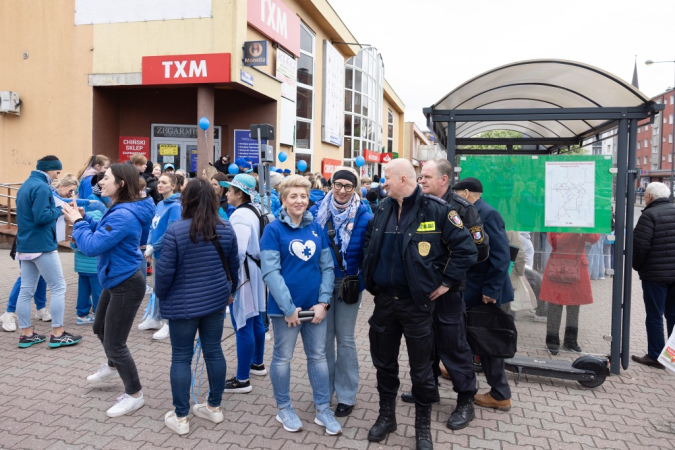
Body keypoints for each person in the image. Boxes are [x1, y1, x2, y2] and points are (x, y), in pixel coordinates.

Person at [362, 159, 477, 450]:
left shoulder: (437, 210)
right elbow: (369, 244)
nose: (382, 183)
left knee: (422, 370)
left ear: (403, 179)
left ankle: (421, 427)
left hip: (417, 306)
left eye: (387, 178)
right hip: (385, 303)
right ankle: (387, 417)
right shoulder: (383, 210)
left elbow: (466, 249)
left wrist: (447, 282)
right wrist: (370, 279)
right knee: (384, 364)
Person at [63, 163, 154, 417]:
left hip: (125, 283)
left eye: (106, 178)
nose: (100, 182)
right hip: (115, 278)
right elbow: (105, 234)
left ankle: (135, 394)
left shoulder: (123, 214)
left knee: (115, 342)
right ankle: (113, 366)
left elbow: (92, 247)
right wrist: (86, 218)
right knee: (99, 327)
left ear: (121, 184)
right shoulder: (119, 209)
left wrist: (78, 222)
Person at [154, 178, 240, 434]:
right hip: (215, 300)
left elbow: (164, 273)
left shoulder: (177, 231)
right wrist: (230, 291)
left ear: (186, 200)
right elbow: (233, 267)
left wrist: (161, 297)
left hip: (183, 304)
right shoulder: (226, 228)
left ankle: (181, 416)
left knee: (181, 356)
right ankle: (214, 407)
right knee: (214, 351)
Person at [260, 175, 341, 436]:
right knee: (283, 358)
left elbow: (327, 267)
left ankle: (322, 409)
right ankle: (284, 407)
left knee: (318, 357)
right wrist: (288, 308)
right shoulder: (273, 230)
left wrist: (323, 302)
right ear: (283, 200)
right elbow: (271, 272)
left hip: (315, 309)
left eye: (303, 196)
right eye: (293, 196)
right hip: (285, 311)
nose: (299, 200)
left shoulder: (316, 228)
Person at [413, 158, 489, 430]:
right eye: (420, 176)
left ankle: (465, 399)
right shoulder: (419, 203)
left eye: (427, 176)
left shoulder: (462, 209)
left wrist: (447, 277)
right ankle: (428, 387)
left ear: (444, 179)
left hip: (449, 290)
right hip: (422, 290)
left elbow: (479, 250)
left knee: (453, 345)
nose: (421, 180)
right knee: (426, 342)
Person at [309, 167, 372, 418]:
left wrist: (361, 281)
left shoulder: (365, 215)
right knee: (324, 342)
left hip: (349, 285)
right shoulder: (315, 213)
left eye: (348, 186)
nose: (342, 190)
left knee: (345, 340)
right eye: (338, 185)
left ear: (354, 188)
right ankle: (325, 392)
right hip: (322, 285)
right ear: (331, 185)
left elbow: (369, 254)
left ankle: (346, 395)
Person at [452, 177, 514, 412]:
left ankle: (500, 393)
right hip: (474, 288)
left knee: (489, 343)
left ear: (466, 192)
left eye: (457, 194)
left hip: (486, 291)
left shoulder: (488, 213)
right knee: (471, 336)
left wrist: (491, 290)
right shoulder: (472, 211)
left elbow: (501, 256)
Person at [14, 155, 82, 349]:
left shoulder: (26, 185)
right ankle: (58, 333)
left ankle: (26, 334)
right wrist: (63, 210)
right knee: (59, 286)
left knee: (26, 290)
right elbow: (42, 217)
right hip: (42, 244)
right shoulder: (43, 187)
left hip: (25, 244)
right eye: (56, 172)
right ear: (49, 169)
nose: (56, 176)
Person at [220, 174, 267, 394]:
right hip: (256, 270)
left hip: (243, 273)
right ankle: (257, 363)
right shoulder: (257, 210)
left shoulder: (239, 215)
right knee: (256, 317)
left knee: (243, 323)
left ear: (240, 194)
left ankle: (242, 379)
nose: (226, 193)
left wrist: (230, 280)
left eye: (229, 190)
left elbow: (236, 252)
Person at [632, 182, 675, 369]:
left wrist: (638, 267)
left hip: (655, 276)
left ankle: (656, 356)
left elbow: (640, 247)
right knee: (673, 315)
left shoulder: (649, 215)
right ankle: (671, 356)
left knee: (655, 315)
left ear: (649, 196)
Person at [540, 232, 599, 355]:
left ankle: (571, 340)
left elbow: (594, 237)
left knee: (574, 307)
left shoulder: (582, 220)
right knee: (555, 306)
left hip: (576, 266)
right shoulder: (557, 220)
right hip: (558, 266)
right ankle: (552, 340)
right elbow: (556, 242)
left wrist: (584, 230)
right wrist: (574, 231)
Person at [141, 173, 182, 339]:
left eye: (164, 182)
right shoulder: (160, 204)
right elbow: (153, 227)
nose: (160, 185)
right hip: (157, 252)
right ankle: (156, 318)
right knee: (157, 287)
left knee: (168, 289)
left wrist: (153, 247)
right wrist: (150, 244)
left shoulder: (176, 207)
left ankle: (169, 323)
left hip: (168, 253)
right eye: (159, 182)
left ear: (173, 186)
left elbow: (170, 232)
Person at [1, 239, 48, 332]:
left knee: (42, 275)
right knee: (26, 278)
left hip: (44, 242)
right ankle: (9, 312)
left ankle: (41, 308)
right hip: (28, 242)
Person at [71, 209, 104, 325]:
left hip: (81, 268)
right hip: (94, 268)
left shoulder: (79, 230)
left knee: (83, 292)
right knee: (98, 292)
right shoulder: (97, 231)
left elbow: (72, 245)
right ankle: (99, 314)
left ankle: (82, 314)